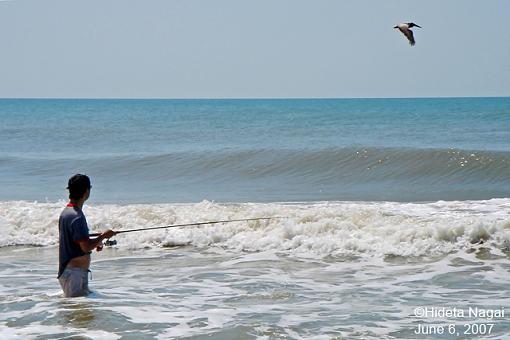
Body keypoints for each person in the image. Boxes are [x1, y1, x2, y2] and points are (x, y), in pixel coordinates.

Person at [57, 174, 115, 297]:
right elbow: (86, 247)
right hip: (74, 274)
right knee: (77, 313)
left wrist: (96, 240)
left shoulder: (66, 213)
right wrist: (103, 236)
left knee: (80, 313)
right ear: (86, 191)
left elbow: (76, 241)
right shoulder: (77, 216)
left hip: (72, 273)